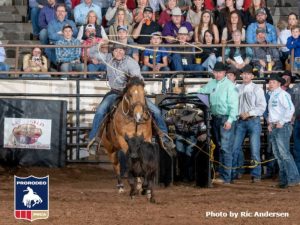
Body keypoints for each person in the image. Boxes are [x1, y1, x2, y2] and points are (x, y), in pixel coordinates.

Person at [88, 43, 175, 151]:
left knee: (156, 111)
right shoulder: (108, 58)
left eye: (121, 50)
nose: (118, 53)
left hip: (130, 93)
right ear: (112, 52)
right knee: (100, 111)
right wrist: (100, 42)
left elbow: (138, 80)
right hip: (114, 92)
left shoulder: (131, 63)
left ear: (124, 51)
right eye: (116, 51)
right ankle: (94, 140)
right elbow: (91, 52)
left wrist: (132, 80)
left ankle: (164, 137)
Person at [198, 62, 239, 184]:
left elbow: (234, 105)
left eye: (219, 72)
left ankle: (227, 177)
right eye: (215, 72)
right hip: (215, 118)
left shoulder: (229, 85)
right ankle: (224, 174)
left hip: (225, 118)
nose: (217, 74)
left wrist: (230, 120)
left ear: (224, 73)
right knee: (219, 147)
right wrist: (207, 105)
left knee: (225, 148)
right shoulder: (211, 83)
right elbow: (200, 92)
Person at [231, 64, 266, 182]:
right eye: (244, 74)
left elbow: (262, 107)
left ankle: (256, 174)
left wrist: (249, 113)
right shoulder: (237, 88)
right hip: (240, 121)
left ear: (252, 76)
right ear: (241, 75)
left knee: (254, 149)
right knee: (235, 148)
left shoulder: (257, 89)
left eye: (248, 74)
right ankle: (235, 171)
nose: (245, 76)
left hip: (253, 120)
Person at [267, 74, 300, 188]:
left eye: (273, 82)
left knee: (284, 154)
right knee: (279, 154)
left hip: (282, 126)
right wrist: (271, 123)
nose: (271, 84)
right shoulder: (273, 95)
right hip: (276, 126)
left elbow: (291, 109)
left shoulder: (283, 94)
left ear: (279, 84)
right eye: (270, 82)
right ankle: (284, 180)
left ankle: (293, 178)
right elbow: (275, 112)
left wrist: (282, 121)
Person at [290, 76, 300, 174]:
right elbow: (291, 105)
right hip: (297, 120)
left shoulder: (295, 88)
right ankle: (297, 173)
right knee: (297, 148)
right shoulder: (295, 88)